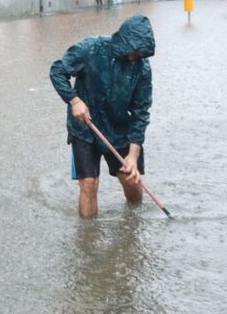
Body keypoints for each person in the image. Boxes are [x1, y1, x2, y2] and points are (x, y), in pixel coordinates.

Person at [49, 15, 155, 218]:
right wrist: (74, 101)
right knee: (89, 184)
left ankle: (134, 222)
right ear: (123, 42)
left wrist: (132, 156)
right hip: (85, 128)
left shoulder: (142, 68)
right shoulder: (90, 48)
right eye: (132, 53)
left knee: (131, 179)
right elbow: (57, 71)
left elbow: (141, 112)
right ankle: (88, 238)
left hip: (119, 129)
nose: (134, 58)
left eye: (139, 55)